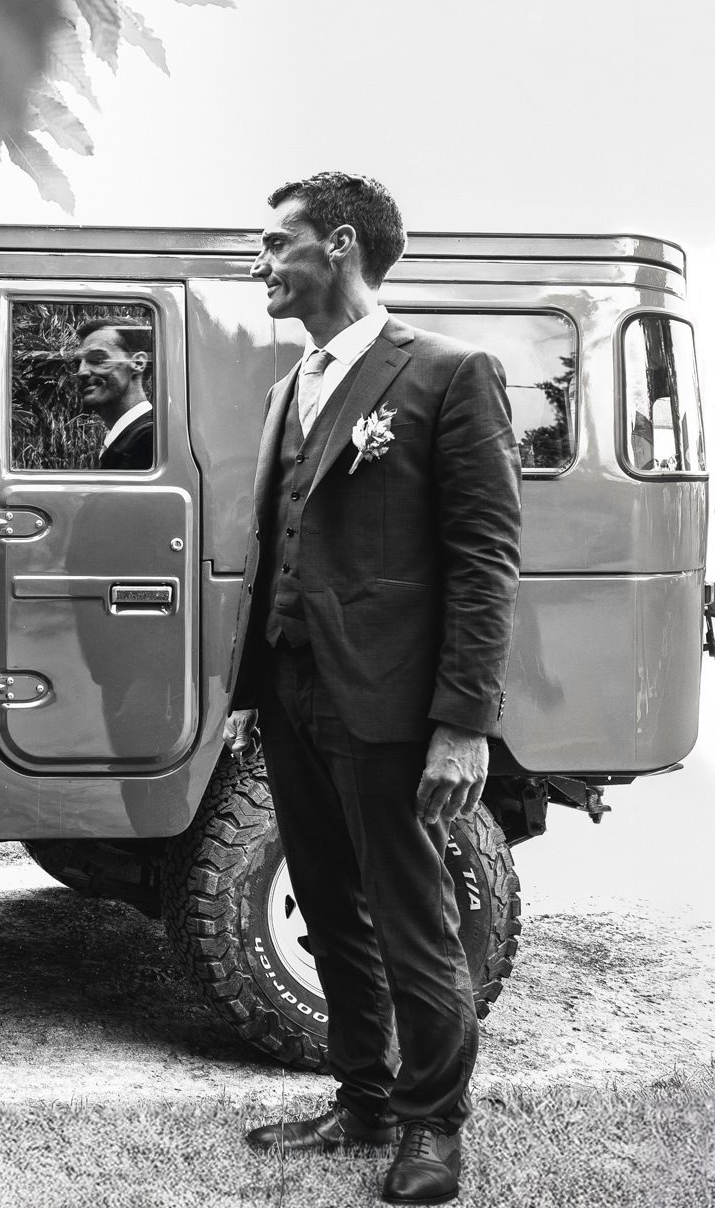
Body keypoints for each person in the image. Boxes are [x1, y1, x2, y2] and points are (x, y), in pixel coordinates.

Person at [230, 173, 521, 1205]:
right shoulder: (290, 386)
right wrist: (257, 692)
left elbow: (484, 561)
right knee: (327, 905)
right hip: (292, 689)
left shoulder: (447, 372)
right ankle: (363, 1098)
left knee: (413, 916)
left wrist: (463, 725)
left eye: (278, 243)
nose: (261, 263)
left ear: (341, 245)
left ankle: (433, 1124)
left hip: (393, 703)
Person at [74, 320, 156, 470]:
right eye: (77, 363)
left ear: (138, 363)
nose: (81, 372)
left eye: (98, 359)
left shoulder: (150, 440)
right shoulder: (133, 436)